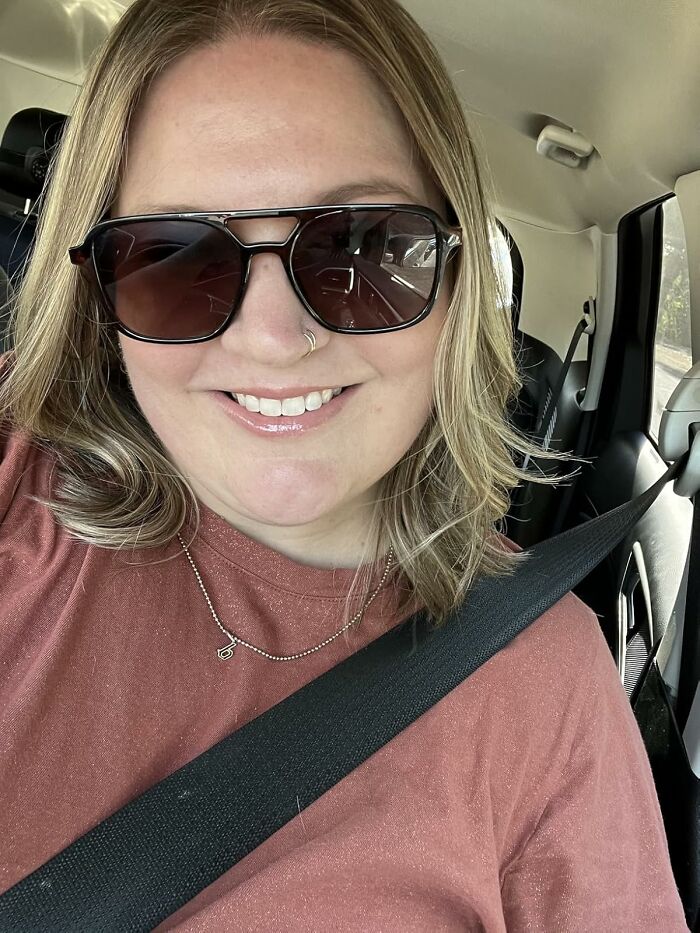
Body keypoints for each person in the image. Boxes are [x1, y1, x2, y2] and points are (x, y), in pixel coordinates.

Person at [0, 0, 688, 929]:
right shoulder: (16, 482)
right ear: (99, 297)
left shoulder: (544, 681)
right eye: (174, 257)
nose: (275, 339)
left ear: (456, 282)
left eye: (360, 247)